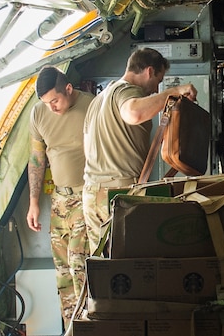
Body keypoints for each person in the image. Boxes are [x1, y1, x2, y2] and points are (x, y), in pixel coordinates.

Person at [82, 47, 196, 259]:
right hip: (116, 192)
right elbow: (134, 113)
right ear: (149, 71)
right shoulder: (127, 91)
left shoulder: (99, 99)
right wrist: (173, 92)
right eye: (158, 81)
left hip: (92, 192)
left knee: (103, 265)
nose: (156, 89)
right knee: (127, 265)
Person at [27, 66, 94, 317]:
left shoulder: (92, 107)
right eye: (46, 103)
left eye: (54, 100)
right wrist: (34, 203)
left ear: (68, 89)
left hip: (86, 196)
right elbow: (37, 158)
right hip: (59, 200)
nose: (51, 108)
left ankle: (91, 327)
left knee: (80, 264)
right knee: (64, 272)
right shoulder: (38, 114)